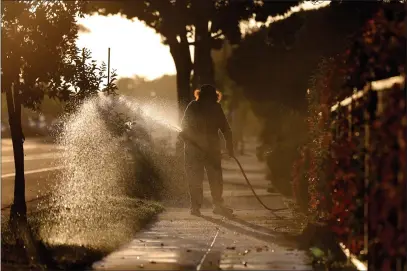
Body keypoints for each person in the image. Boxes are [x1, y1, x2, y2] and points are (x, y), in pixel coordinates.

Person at [180, 84, 234, 216]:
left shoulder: (193, 106)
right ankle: (217, 205)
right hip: (211, 149)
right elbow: (226, 129)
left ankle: (195, 207)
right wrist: (230, 147)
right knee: (215, 178)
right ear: (215, 96)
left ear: (199, 95)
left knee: (195, 178)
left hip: (194, 149)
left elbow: (183, 126)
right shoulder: (216, 107)